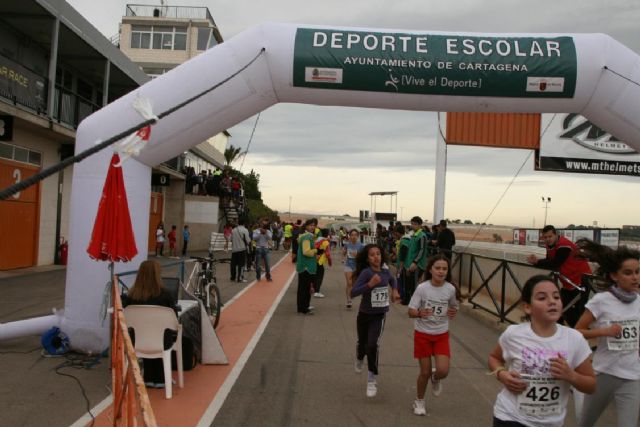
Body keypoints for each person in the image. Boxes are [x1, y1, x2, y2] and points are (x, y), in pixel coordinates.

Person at [488, 274, 595, 427]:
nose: (552, 301)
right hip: (510, 416)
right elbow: (494, 357)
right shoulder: (513, 333)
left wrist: (571, 376)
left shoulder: (574, 339)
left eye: (556, 297)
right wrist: (502, 374)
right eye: (542, 298)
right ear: (527, 307)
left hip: (551, 422)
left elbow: (591, 385)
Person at [573, 240, 640, 427]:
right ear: (614, 276)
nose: (635, 277)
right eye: (628, 273)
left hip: (632, 376)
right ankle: (579, 392)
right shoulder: (602, 301)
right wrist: (605, 332)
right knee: (585, 422)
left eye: (637, 272)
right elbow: (577, 331)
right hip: (604, 373)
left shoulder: (639, 302)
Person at [408, 254, 459, 415]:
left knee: (443, 370)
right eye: (437, 268)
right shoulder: (422, 288)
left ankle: (435, 379)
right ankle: (419, 401)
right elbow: (410, 311)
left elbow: (454, 306)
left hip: (441, 334)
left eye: (444, 268)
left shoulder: (450, 289)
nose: (441, 271)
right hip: (423, 334)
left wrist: (453, 311)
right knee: (425, 372)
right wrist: (419, 313)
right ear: (430, 270)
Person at [350, 243, 400, 398]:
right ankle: (359, 357)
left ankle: (371, 378)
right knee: (362, 343)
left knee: (372, 345)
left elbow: (392, 280)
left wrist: (395, 291)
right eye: (372, 255)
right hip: (364, 314)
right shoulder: (366, 273)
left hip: (379, 315)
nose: (376, 257)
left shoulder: (385, 270)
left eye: (378, 253)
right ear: (367, 258)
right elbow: (353, 293)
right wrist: (369, 285)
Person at [122, 260, 177, 388]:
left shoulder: (131, 296)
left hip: (137, 341)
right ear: (157, 275)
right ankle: (160, 379)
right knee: (164, 333)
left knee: (145, 332)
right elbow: (174, 321)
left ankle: (148, 378)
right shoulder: (166, 295)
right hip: (162, 342)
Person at [526, 225, 592, 327]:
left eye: (550, 236)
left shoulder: (564, 245)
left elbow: (555, 263)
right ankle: (562, 331)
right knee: (559, 307)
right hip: (569, 282)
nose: (548, 239)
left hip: (581, 281)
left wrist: (536, 262)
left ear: (556, 235)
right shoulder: (550, 245)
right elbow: (549, 260)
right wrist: (536, 261)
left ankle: (579, 336)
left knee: (576, 314)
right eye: (545, 237)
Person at [402, 216, 428, 305]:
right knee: (408, 284)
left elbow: (422, 250)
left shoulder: (422, 236)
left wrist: (415, 262)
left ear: (420, 225)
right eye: (412, 224)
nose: (413, 226)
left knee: (414, 285)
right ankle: (408, 301)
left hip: (417, 265)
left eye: (415, 224)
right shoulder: (412, 234)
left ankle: (416, 304)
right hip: (408, 263)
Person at [296, 218, 319, 314]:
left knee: (303, 288)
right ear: (306, 226)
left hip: (304, 266)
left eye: (314, 225)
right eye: (310, 225)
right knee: (305, 288)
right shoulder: (307, 237)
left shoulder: (304, 236)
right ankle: (304, 307)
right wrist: (316, 251)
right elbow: (306, 252)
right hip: (307, 267)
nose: (312, 227)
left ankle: (302, 307)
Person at [342, 229, 364, 309]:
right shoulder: (347, 244)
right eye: (352, 235)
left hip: (357, 266)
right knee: (349, 283)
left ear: (358, 236)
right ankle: (349, 300)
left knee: (354, 284)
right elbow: (344, 253)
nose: (353, 236)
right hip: (348, 265)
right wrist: (344, 253)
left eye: (355, 235)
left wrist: (357, 255)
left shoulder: (361, 246)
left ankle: (352, 293)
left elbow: (363, 257)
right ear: (349, 236)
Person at [313, 228, 332, 298]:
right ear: (327, 234)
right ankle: (317, 291)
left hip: (314, 259)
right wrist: (330, 261)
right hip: (320, 261)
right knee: (320, 276)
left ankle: (313, 289)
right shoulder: (326, 242)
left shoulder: (317, 240)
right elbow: (327, 253)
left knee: (315, 275)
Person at [230, 219, 250, 283]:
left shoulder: (233, 230)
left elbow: (230, 239)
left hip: (234, 250)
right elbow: (248, 241)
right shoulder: (245, 230)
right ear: (244, 223)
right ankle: (240, 278)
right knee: (241, 264)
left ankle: (233, 277)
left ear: (238, 223)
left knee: (233, 264)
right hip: (242, 249)